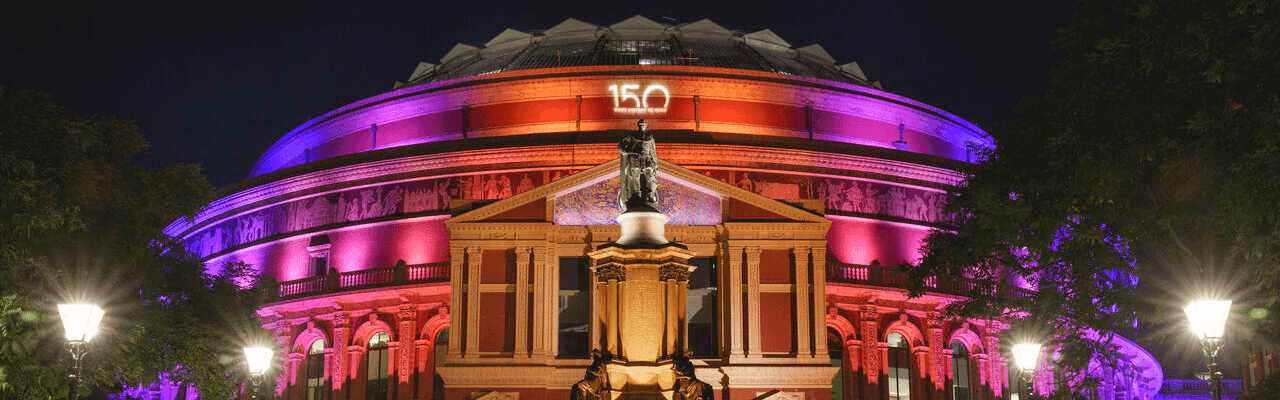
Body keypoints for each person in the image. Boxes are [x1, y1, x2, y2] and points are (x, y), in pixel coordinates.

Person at [618, 119, 658, 210]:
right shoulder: (632, 136)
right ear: (638, 125)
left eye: (643, 124)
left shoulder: (650, 137)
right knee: (635, 177)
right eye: (640, 124)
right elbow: (620, 146)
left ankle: (650, 195)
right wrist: (628, 151)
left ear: (646, 125)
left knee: (650, 177)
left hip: (646, 158)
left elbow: (653, 151)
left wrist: (655, 163)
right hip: (635, 158)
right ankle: (636, 194)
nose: (642, 126)